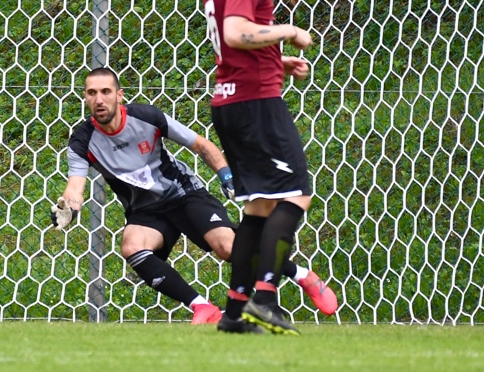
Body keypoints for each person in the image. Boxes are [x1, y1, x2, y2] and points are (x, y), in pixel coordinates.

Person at [52, 68, 337, 325]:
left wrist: (227, 177)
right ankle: (202, 307)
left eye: (105, 91)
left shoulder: (147, 117)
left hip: (184, 194)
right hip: (145, 211)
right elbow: (75, 188)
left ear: (119, 95)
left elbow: (201, 145)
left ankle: (303, 276)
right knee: (132, 245)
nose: (99, 99)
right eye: (92, 93)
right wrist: (68, 209)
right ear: (85, 97)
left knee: (227, 247)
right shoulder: (82, 141)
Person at [201, 0, 320, 335]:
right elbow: (235, 32)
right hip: (254, 103)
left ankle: (234, 313)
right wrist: (289, 31)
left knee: (259, 207)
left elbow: (232, 38)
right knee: (297, 194)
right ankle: (265, 299)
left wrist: (274, 60)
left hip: (231, 98)